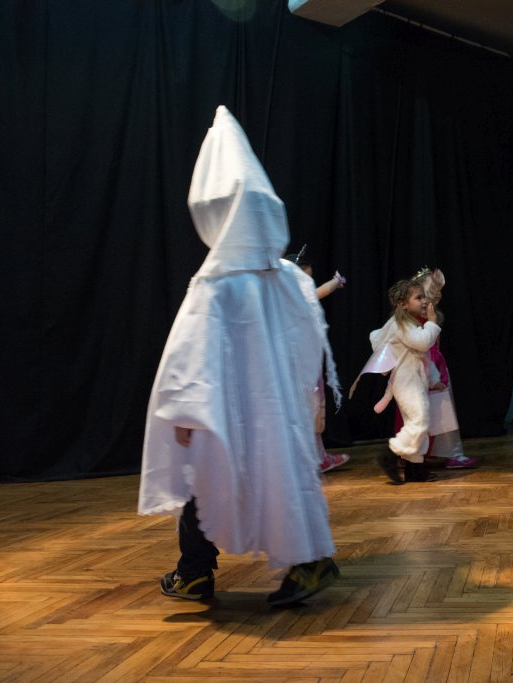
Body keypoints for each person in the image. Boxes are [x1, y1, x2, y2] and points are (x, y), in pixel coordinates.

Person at [139, 106, 339, 606]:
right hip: (274, 411)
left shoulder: (215, 283)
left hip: (226, 412)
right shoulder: (286, 277)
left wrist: (184, 415)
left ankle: (194, 572)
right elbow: (307, 335)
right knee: (283, 479)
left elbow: (191, 354)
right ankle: (310, 561)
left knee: (200, 484)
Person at [395, 268, 478, 470]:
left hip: (436, 369)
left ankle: (451, 453)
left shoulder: (431, 315)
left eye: (429, 295)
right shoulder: (409, 321)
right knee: (415, 414)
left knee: (442, 412)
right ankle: (408, 454)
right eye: (421, 296)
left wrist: (436, 286)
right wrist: (435, 285)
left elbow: (432, 301)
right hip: (417, 371)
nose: (427, 300)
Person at [362, 278, 441, 483]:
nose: (424, 301)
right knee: (419, 420)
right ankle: (390, 453)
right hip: (407, 383)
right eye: (418, 298)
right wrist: (432, 322)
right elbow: (423, 344)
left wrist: (434, 378)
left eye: (424, 297)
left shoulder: (408, 323)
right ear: (403, 304)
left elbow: (423, 356)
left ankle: (416, 470)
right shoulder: (401, 324)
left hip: (413, 380)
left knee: (417, 423)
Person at [284, 251, 350, 473]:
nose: (308, 283)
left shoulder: (281, 300)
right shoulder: (295, 298)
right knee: (310, 411)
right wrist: (336, 281)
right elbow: (318, 292)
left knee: (307, 413)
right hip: (301, 367)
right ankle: (315, 460)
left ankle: (313, 459)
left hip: (298, 364)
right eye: (306, 278)